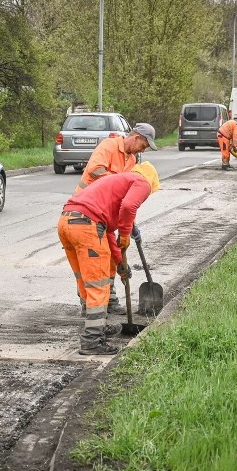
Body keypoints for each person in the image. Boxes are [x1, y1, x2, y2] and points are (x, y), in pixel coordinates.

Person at [58, 162, 160, 355]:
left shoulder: (116, 181)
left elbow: (107, 233)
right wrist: (126, 233)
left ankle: (98, 326)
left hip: (67, 222)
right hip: (87, 225)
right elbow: (129, 207)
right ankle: (91, 341)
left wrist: (121, 264)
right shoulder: (142, 181)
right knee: (99, 286)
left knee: (86, 282)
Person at [75, 122, 158, 316]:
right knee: (97, 257)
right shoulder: (109, 145)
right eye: (144, 146)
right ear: (136, 137)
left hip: (106, 213)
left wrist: (129, 226)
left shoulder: (131, 161)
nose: (143, 150)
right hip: (88, 209)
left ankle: (109, 299)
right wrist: (115, 181)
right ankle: (90, 303)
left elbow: (126, 199)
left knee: (112, 255)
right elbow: (96, 169)